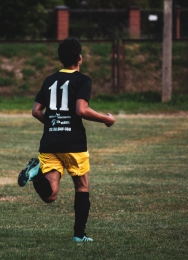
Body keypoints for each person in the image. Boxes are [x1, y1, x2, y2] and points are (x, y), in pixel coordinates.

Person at [18, 38, 115, 242]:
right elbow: (81, 109)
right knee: (81, 186)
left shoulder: (49, 80)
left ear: (61, 59)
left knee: (51, 195)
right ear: (79, 58)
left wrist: (53, 123)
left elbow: (36, 111)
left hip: (49, 142)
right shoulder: (83, 80)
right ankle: (79, 236)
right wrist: (106, 119)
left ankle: (35, 174)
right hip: (73, 143)